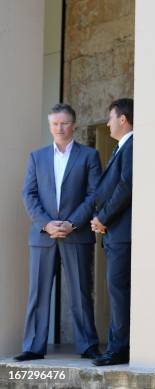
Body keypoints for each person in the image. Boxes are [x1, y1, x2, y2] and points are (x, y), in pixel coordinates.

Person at [15, 103, 101, 362]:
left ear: (73, 124)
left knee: (81, 292)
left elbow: (94, 193)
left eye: (64, 123)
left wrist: (72, 223)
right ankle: (33, 346)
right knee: (38, 293)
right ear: (50, 126)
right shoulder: (36, 157)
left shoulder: (89, 156)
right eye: (55, 124)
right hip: (43, 236)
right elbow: (28, 194)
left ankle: (87, 345)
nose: (59, 128)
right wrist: (46, 223)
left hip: (77, 233)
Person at [90, 98, 134, 366]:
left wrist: (103, 217)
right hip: (114, 232)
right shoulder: (122, 147)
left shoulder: (133, 145)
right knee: (116, 290)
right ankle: (117, 346)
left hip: (121, 231)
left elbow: (126, 185)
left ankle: (118, 350)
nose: (107, 123)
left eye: (110, 117)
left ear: (123, 119)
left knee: (118, 291)